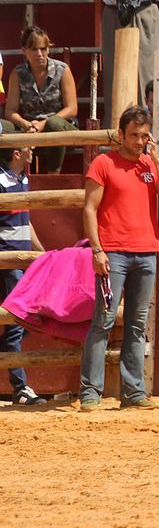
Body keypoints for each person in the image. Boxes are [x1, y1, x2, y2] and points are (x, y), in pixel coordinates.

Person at [79, 106, 159, 410]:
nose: (138, 140)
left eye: (144, 135)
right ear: (121, 134)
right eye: (133, 135)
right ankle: (90, 392)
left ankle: (133, 392)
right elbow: (90, 208)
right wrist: (97, 250)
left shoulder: (150, 164)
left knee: (137, 324)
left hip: (146, 251)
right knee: (104, 321)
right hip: (114, 252)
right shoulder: (103, 163)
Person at [1, 145, 46, 405]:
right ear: (16, 154)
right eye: (26, 148)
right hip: (7, 261)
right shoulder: (3, 179)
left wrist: (42, 254)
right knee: (18, 322)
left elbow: (25, 220)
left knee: (23, 320)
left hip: (18, 260)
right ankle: (19, 387)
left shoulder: (22, 179)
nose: (32, 150)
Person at [5, 26, 78, 173]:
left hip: (60, 128)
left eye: (43, 48)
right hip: (30, 127)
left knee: (54, 123)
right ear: (24, 51)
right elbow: (10, 111)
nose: (40, 54)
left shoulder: (62, 70)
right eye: (34, 49)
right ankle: (9, 174)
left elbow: (72, 109)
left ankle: (53, 175)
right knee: (2, 126)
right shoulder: (18, 73)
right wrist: (26, 125)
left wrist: (42, 125)